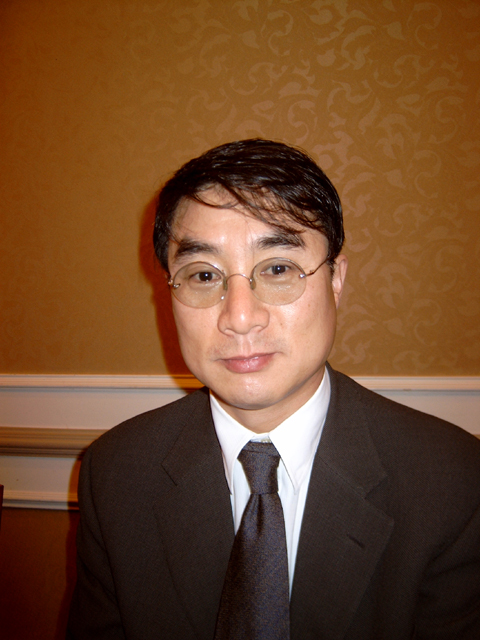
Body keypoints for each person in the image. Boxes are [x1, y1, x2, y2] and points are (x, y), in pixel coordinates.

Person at [67, 139, 480, 640]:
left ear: (336, 280)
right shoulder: (116, 475)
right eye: (204, 275)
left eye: (278, 269)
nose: (240, 317)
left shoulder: (451, 482)